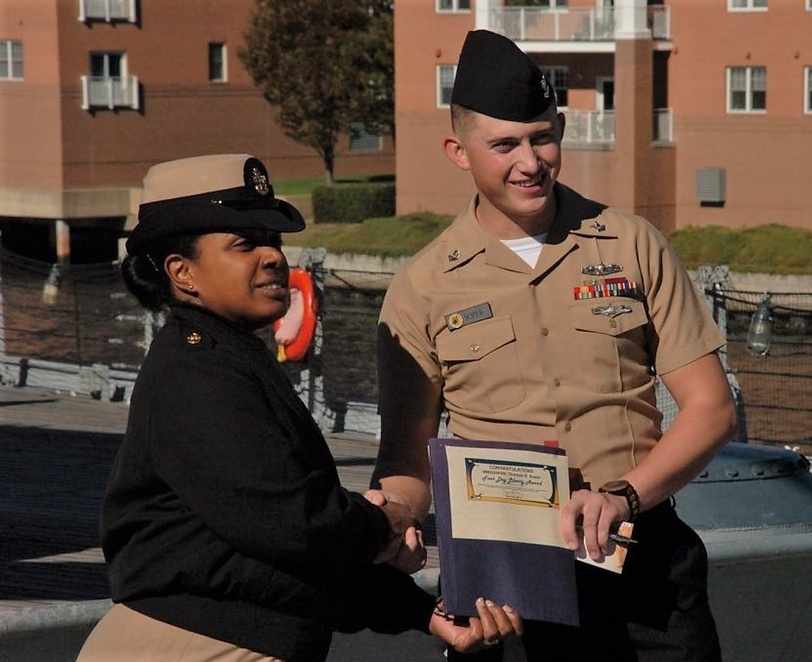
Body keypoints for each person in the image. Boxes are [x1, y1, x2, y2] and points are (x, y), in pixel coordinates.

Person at [373, 30, 737, 660]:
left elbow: (711, 407)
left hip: (640, 557)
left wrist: (623, 493)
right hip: (504, 584)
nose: (530, 162)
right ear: (458, 151)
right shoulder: (422, 287)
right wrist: (390, 518)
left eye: (543, 136)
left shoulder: (631, 244)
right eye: (504, 144)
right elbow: (406, 458)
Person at [78, 154, 521, 661]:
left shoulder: (226, 359)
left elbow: (278, 556)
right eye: (245, 244)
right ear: (183, 272)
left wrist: (419, 613)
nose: (272, 256)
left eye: (274, 241)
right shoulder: (198, 374)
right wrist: (386, 522)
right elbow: (293, 522)